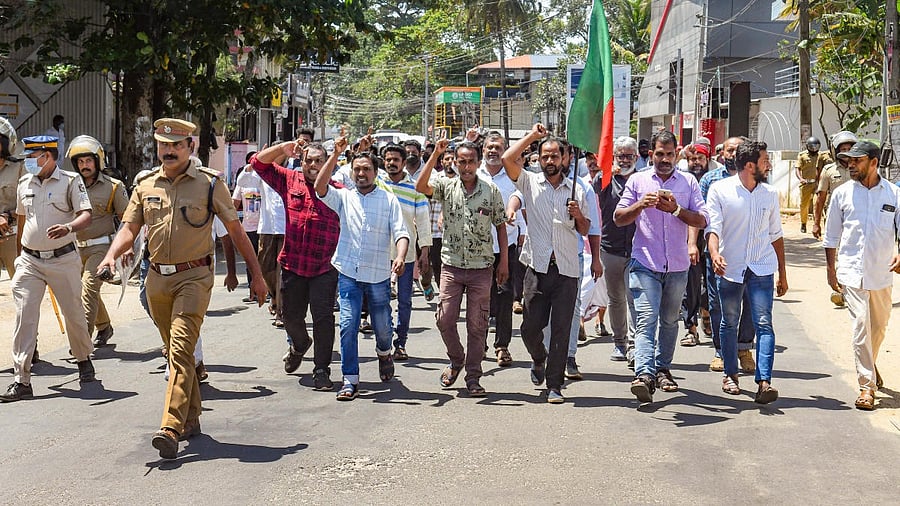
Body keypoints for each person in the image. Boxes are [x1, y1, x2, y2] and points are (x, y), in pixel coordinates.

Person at [98, 118, 266, 459]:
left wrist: (257, 276)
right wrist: (110, 257)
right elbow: (130, 228)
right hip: (157, 279)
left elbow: (235, 232)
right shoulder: (145, 184)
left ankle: (170, 427)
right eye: (163, 145)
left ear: (191, 147)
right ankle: (191, 416)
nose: (169, 150)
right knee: (180, 352)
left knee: (177, 350)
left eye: (176, 145)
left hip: (195, 277)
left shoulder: (209, 185)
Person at [614, 129, 708, 404]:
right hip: (644, 263)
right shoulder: (638, 181)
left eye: (669, 154)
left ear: (677, 154)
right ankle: (644, 374)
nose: (664, 159)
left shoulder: (689, 182)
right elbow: (619, 218)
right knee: (646, 319)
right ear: (651, 154)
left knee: (669, 321)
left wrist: (677, 210)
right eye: (659, 154)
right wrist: (640, 205)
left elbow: (702, 220)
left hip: (677, 266)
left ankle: (663, 369)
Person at [1, 135, 96, 403]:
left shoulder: (70, 181)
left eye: (34, 156)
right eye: (28, 156)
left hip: (63, 259)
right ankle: (21, 379)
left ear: (49, 155)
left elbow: (86, 215)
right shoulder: (24, 183)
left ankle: (83, 359)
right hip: (31, 261)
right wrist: (20, 256)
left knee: (73, 313)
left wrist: (69, 227)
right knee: (24, 316)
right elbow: (22, 219)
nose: (29, 161)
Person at [501, 123, 591, 404]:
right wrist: (532, 136)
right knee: (530, 327)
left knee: (562, 329)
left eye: (555, 156)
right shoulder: (529, 182)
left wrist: (578, 215)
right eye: (545, 156)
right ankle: (538, 358)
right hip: (536, 268)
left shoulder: (577, 188)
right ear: (538, 159)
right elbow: (506, 159)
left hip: (566, 270)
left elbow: (586, 230)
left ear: (565, 158)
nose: (550, 161)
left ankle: (555, 384)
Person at [314, 139, 409, 402]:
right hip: (348, 272)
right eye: (357, 169)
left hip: (378, 275)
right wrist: (334, 154)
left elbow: (401, 232)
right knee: (347, 324)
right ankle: (350, 379)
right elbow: (320, 187)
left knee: (383, 328)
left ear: (375, 173)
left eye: (366, 169)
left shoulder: (389, 200)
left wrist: (400, 257)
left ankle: (383, 353)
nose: (361, 174)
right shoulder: (344, 196)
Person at [416, 139, 507, 396]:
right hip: (451, 266)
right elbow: (421, 185)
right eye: (461, 161)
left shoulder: (490, 191)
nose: (466, 167)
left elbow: (500, 225)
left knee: (477, 325)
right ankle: (457, 359)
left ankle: (473, 376)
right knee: (444, 319)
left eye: (470, 162)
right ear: (455, 163)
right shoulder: (446, 187)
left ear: (478, 163)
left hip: (482, 268)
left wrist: (504, 262)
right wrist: (435, 153)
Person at [252, 140, 341, 391]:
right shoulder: (290, 180)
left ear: (328, 164)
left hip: (325, 267)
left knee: (324, 319)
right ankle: (300, 345)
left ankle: (322, 369)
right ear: (301, 162)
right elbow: (258, 163)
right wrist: (283, 149)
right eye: (309, 160)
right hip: (292, 264)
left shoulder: (339, 191)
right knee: (290, 316)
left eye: (318, 161)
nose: (313, 165)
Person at [706, 140, 788, 404]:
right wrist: (715, 254)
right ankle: (730, 374)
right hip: (730, 268)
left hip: (762, 268)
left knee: (764, 323)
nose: (769, 165)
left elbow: (776, 235)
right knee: (729, 322)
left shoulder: (770, 194)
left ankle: (764, 382)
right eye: (765, 160)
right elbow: (713, 228)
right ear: (750, 165)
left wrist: (783, 273)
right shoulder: (720, 190)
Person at [822, 141, 900, 411]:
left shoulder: (893, 194)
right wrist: (831, 270)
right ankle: (867, 386)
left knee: (877, 328)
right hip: (851, 272)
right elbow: (831, 236)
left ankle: (870, 361)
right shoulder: (842, 194)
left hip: (882, 273)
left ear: (874, 162)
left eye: (857, 160)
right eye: (849, 161)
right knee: (861, 327)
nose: (851, 165)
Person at [698, 137, 756, 373]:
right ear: (722, 154)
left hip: (749, 254)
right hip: (718, 254)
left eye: (738, 150)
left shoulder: (755, 178)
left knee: (749, 303)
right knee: (718, 304)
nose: (733, 154)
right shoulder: (710, 180)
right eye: (730, 150)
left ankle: (743, 348)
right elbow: (702, 217)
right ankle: (721, 351)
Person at [67, 135, 128, 347]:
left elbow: (128, 221)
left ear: (98, 161)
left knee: (89, 287)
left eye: (89, 161)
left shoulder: (114, 186)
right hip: (74, 249)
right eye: (80, 162)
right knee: (81, 291)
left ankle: (81, 343)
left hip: (102, 248)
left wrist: (126, 252)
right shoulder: (69, 185)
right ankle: (104, 326)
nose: (85, 166)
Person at [378, 143, 432, 360]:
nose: (392, 163)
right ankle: (385, 339)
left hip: (407, 255)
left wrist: (425, 252)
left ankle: (400, 343)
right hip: (380, 253)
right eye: (388, 160)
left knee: (405, 301)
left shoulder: (415, 189)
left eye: (396, 160)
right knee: (381, 301)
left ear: (403, 162)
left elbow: (423, 222)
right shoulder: (376, 185)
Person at [476, 132, 522, 367]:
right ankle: (478, 345)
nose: (493, 151)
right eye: (489, 147)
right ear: (482, 149)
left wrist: (519, 227)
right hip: (477, 249)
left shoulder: (513, 175)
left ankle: (502, 346)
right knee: (481, 298)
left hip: (506, 247)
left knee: (504, 297)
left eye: (498, 147)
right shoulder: (474, 173)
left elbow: (519, 196)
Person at [599, 136, 638, 364]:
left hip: (637, 249)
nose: (625, 160)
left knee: (635, 298)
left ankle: (635, 345)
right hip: (611, 248)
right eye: (621, 155)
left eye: (629, 156)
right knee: (616, 299)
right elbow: (592, 185)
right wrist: (607, 172)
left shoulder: (643, 179)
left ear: (636, 157)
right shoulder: (605, 180)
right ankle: (619, 343)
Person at [680, 143, 714, 347]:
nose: (697, 163)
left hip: (711, 239)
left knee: (709, 285)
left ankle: (706, 312)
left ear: (707, 160)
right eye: (693, 159)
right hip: (688, 239)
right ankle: (690, 328)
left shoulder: (714, 180)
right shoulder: (684, 181)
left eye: (700, 159)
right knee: (690, 286)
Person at [811, 130, 857, 241]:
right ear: (836, 151)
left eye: (849, 149)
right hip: (835, 216)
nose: (847, 152)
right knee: (835, 248)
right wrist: (816, 223)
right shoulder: (828, 170)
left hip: (856, 215)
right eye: (843, 149)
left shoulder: (860, 169)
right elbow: (821, 198)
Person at [232, 151, 262, 303]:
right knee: (250, 260)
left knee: (264, 260)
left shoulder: (265, 178)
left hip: (264, 228)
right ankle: (253, 293)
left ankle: (267, 290)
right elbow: (234, 204)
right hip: (248, 227)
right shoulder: (242, 182)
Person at [0, 117, 24, 281]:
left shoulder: (20, 167)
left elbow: (29, 202)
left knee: (21, 288)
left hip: (12, 236)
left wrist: (7, 216)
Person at [796, 136, 829, 234]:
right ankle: (803, 223)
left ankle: (817, 224)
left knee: (817, 204)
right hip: (806, 183)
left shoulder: (821, 156)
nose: (814, 148)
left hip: (818, 183)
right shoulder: (802, 156)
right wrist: (801, 179)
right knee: (804, 205)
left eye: (816, 146)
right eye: (812, 146)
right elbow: (797, 168)